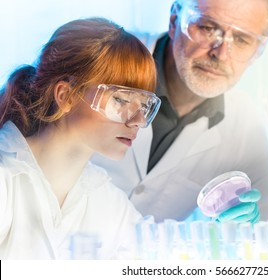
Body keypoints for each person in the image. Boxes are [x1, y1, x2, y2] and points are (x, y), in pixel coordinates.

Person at [92, 0, 268, 223]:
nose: (221, 53)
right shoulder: (103, 59)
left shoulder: (243, 123)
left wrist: (241, 233)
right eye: (207, 28)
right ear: (175, 20)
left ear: (258, 51)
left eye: (242, 39)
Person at [0, 17, 161, 259]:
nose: (137, 120)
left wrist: (222, 218)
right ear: (66, 96)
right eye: (121, 100)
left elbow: (163, 253)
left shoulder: (104, 199)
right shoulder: (6, 179)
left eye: (145, 106)